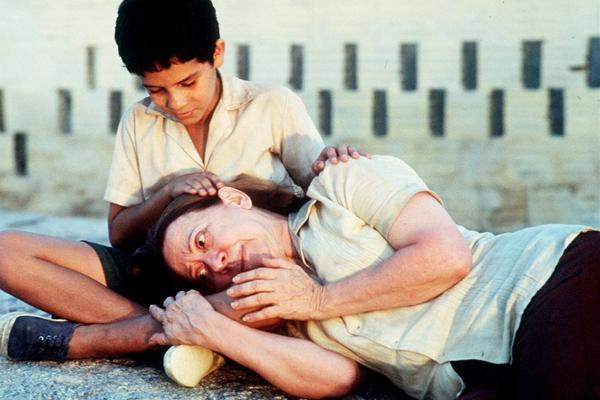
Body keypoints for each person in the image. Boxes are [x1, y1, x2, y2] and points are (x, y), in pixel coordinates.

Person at [0, 0, 360, 364]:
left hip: (238, 285)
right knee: (6, 251)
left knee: (268, 292)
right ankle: (166, 335)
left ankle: (114, 337)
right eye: (156, 90)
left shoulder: (271, 105)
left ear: (217, 53)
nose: (176, 101)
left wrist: (337, 162)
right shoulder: (139, 120)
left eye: (188, 82)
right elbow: (120, 233)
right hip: (157, 275)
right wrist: (167, 194)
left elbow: (318, 196)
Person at [146, 155, 599, 400]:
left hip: (545, 281)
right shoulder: (278, 307)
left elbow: (446, 256)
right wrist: (217, 332)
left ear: (234, 200)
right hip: (483, 376)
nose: (217, 263)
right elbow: (339, 378)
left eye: (203, 241)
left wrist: (318, 300)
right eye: (202, 274)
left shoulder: (341, 184)